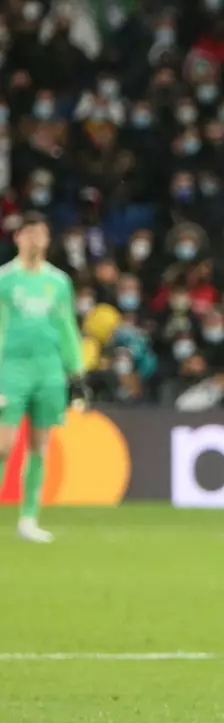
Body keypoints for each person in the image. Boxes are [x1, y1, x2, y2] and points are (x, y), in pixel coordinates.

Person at [0, 213, 88, 543]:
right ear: (18, 238)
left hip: (49, 371)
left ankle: (28, 519)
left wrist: (76, 373)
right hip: (11, 370)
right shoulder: (5, 280)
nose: (36, 239)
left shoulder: (58, 282)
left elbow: (67, 328)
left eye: (42, 233)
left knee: (39, 446)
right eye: (30, 233)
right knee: (3, 446)